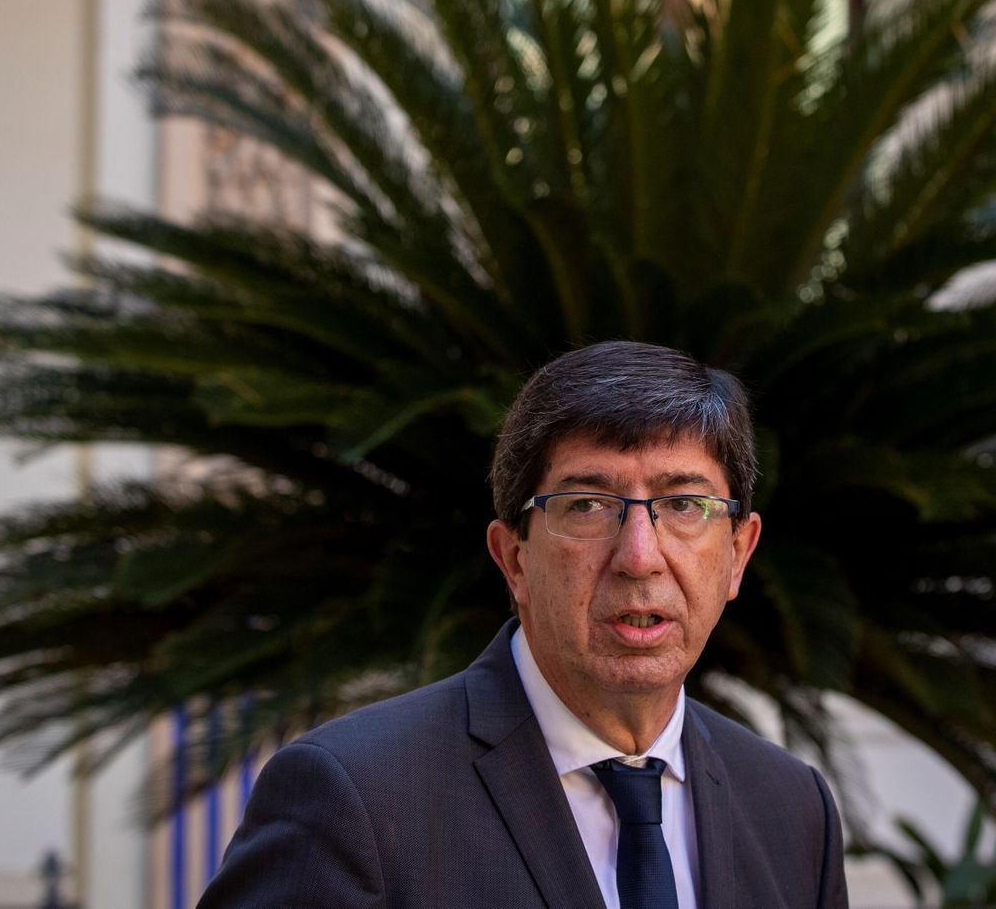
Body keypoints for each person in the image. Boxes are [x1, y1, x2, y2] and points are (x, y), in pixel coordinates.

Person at [198, 340, 849, 908]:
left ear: (738, 554)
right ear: (514, 558)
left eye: (683, 504)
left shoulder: (793, 809)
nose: (640, 557)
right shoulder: (357, 797)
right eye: (588, 505)